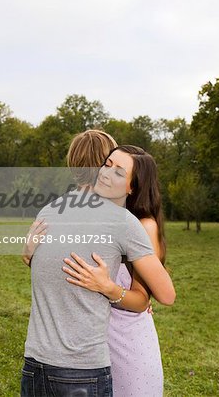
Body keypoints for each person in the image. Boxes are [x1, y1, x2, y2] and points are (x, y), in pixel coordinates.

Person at [21, 130, 175, 397]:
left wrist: (29, 256)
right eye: (109, 163)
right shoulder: (121, 221)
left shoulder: (47, 213)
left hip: (38, 362)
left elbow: (53, 270)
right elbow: (166, 294)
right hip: (84, 364)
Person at [63, 145, 167, 396]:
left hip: (128, 344)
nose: (107, 173)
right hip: (95, 345)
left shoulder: (144, 226)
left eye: (118, 171)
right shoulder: (105, 218)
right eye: (106, 165)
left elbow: (152, 297)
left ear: (133, 186)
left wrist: (110, 289)